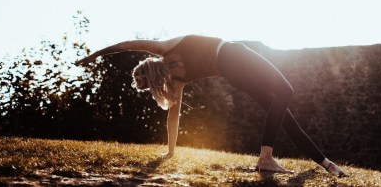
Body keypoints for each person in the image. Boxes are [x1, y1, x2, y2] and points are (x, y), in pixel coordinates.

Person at [76, 34, 347, 177]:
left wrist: (170, 152)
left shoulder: (177, 81)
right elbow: (127, 45)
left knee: (282, 112)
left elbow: (174, 118)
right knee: (286, 92)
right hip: (232, 54)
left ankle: (327, 165)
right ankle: (265, 158)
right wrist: (95, 55)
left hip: (231, 73)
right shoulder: (166, 48)